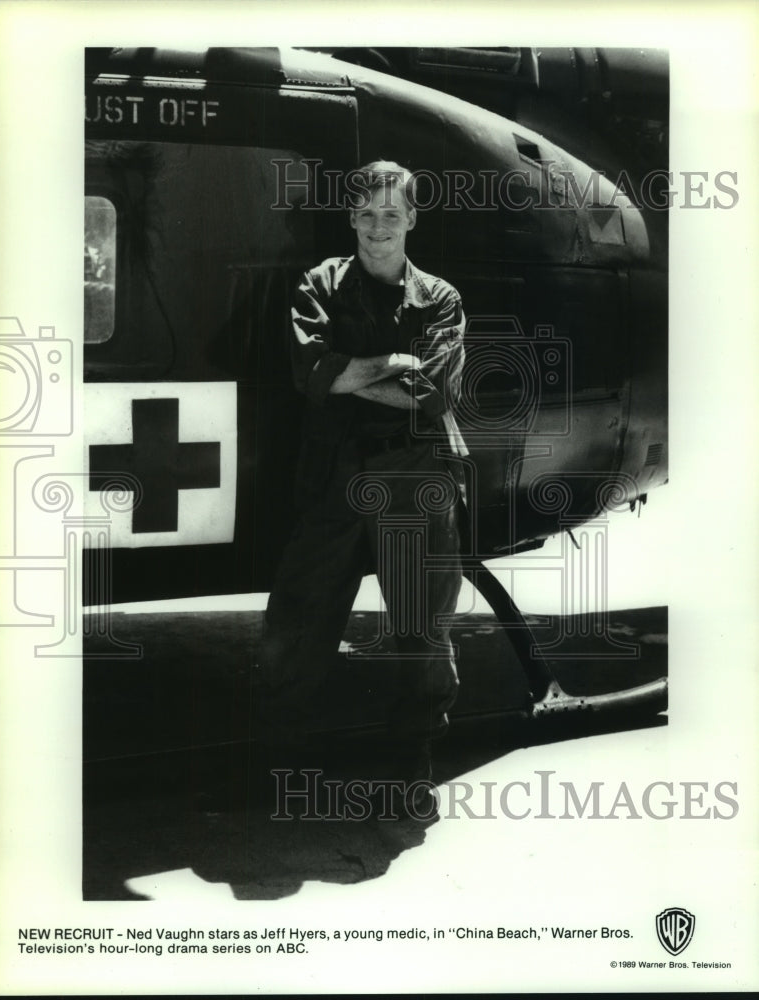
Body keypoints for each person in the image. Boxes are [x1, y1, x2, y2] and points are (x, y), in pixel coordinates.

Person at [256, 161, 467, 818]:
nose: (379, 226)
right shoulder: (320, 284)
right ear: (351, 216)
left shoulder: (440, 299)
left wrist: (347, 377)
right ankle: (286, 763)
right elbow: (309, 373)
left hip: (415, 476)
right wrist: (393, 365)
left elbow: (431, 394)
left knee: (423, 628)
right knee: (299, 620)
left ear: (411, 219)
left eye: (391, 213)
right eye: (367, 213)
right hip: (336, 476)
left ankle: (413, 764)